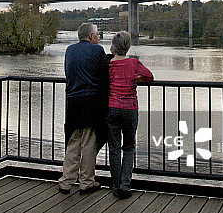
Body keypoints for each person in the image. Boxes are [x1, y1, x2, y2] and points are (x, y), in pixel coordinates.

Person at [102, 31, 153, 199]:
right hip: (130, 109)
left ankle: (116, 186)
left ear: (113, 47)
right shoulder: (134, 63)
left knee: (114, 148)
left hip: (112, 108)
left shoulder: (108, 63)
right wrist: (135, 78)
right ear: (128, 46)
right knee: (129, 147)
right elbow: (150, 76)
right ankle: (125, 185)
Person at [58, 22, 106, 195]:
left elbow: (67, 72)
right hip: (91, 101)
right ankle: (86, 182)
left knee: (73, 140)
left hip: (72, 101)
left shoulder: (69, 50)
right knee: (89, 142)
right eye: (98, 35)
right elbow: (102, 75)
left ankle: (66, 180)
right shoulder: (98, 51)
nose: (99, 38)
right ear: (91, 36)